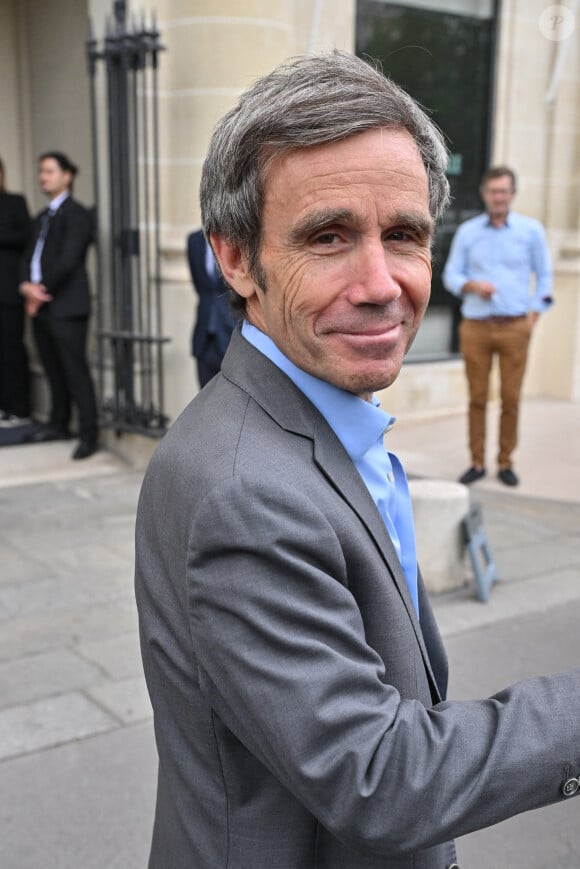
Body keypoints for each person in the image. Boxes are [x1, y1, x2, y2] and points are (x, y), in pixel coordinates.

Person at [135, 53, 580, 869]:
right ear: (235, 259)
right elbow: (381, 778)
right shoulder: (243, 488)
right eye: (329, 236)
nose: (381, 284)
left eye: (404, 234)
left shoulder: (320, 413)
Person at [442, 166, 553, 487]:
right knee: (477, 398)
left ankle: (505, 461)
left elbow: (545, 277)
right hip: (475, 326)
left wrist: (534, 315)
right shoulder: (468, 232)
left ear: (512, 195)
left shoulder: (531, 231)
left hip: (515, 326)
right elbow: (450, 276)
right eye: (493, 191)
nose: (498, 197)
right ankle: (476, 461)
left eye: (504, 191)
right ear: (484, 194)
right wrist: (473, 286)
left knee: (511, 399)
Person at [19, 151, 99, 460]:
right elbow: (27, 257)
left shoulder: (77, 214)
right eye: (41, 172)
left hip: (66, 305)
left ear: (67, 176)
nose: (43, 177)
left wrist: (38, 291)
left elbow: (68, 260)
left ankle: (89, 433)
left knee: (75, 369)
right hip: (41, 305)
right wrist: (26, 286)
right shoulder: (41, 216)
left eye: (50, 171)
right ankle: (58, 423)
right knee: (52, 367)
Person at [0, 158, 32, 427]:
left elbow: (25, 238)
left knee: (11, 348)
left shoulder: (15, 202)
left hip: (8, 291)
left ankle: (19, 407)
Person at [187, 227, 236, 387]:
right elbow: (200, 286)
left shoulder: (234, 239)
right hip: (204, 339)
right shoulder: (194, 241)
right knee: (205, 401)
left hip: (231, 334)